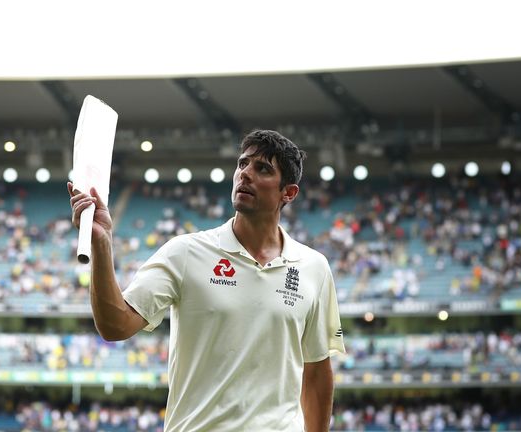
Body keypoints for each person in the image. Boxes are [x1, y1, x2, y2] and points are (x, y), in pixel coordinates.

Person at [68, 129, 345, 431]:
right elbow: (115, 325)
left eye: (262, 168)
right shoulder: (185, 252)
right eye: (243, 164)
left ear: (288, 193)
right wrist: (102, 243)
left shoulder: (314, 268)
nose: (246, 174)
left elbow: (317, 372)